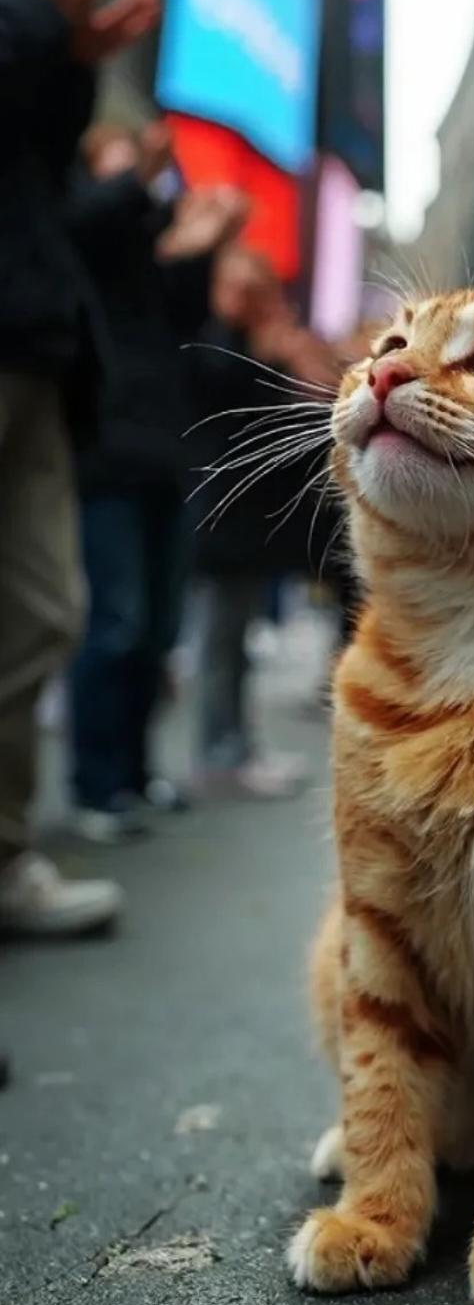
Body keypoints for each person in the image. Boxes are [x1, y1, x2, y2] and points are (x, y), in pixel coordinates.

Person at [0, 0, 160, 934]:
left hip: (35, 350)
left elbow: (30, 177)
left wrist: (63, 48)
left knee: (45, 611)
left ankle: (5, 862)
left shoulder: (21, 16)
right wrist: (33, 14)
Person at [67, 121, 247, 842]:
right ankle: (95, 784)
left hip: (163, 460)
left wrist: (202, 244)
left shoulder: (148, 256)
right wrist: (133, 174)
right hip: (106, 455)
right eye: (114, 162)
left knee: (155, 630)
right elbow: (93, 222)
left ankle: (135, 774)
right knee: (115, 622)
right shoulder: (86, 230)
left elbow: (187, 319)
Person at [185, 249, 339, 799]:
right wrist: (280, 364)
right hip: (222, 522)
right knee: (222, 643)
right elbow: (241, 423)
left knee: (234, 642)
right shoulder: (216, 345)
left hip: (245, 527)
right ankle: (220, 753)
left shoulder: (250, 346)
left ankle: (236, 748)